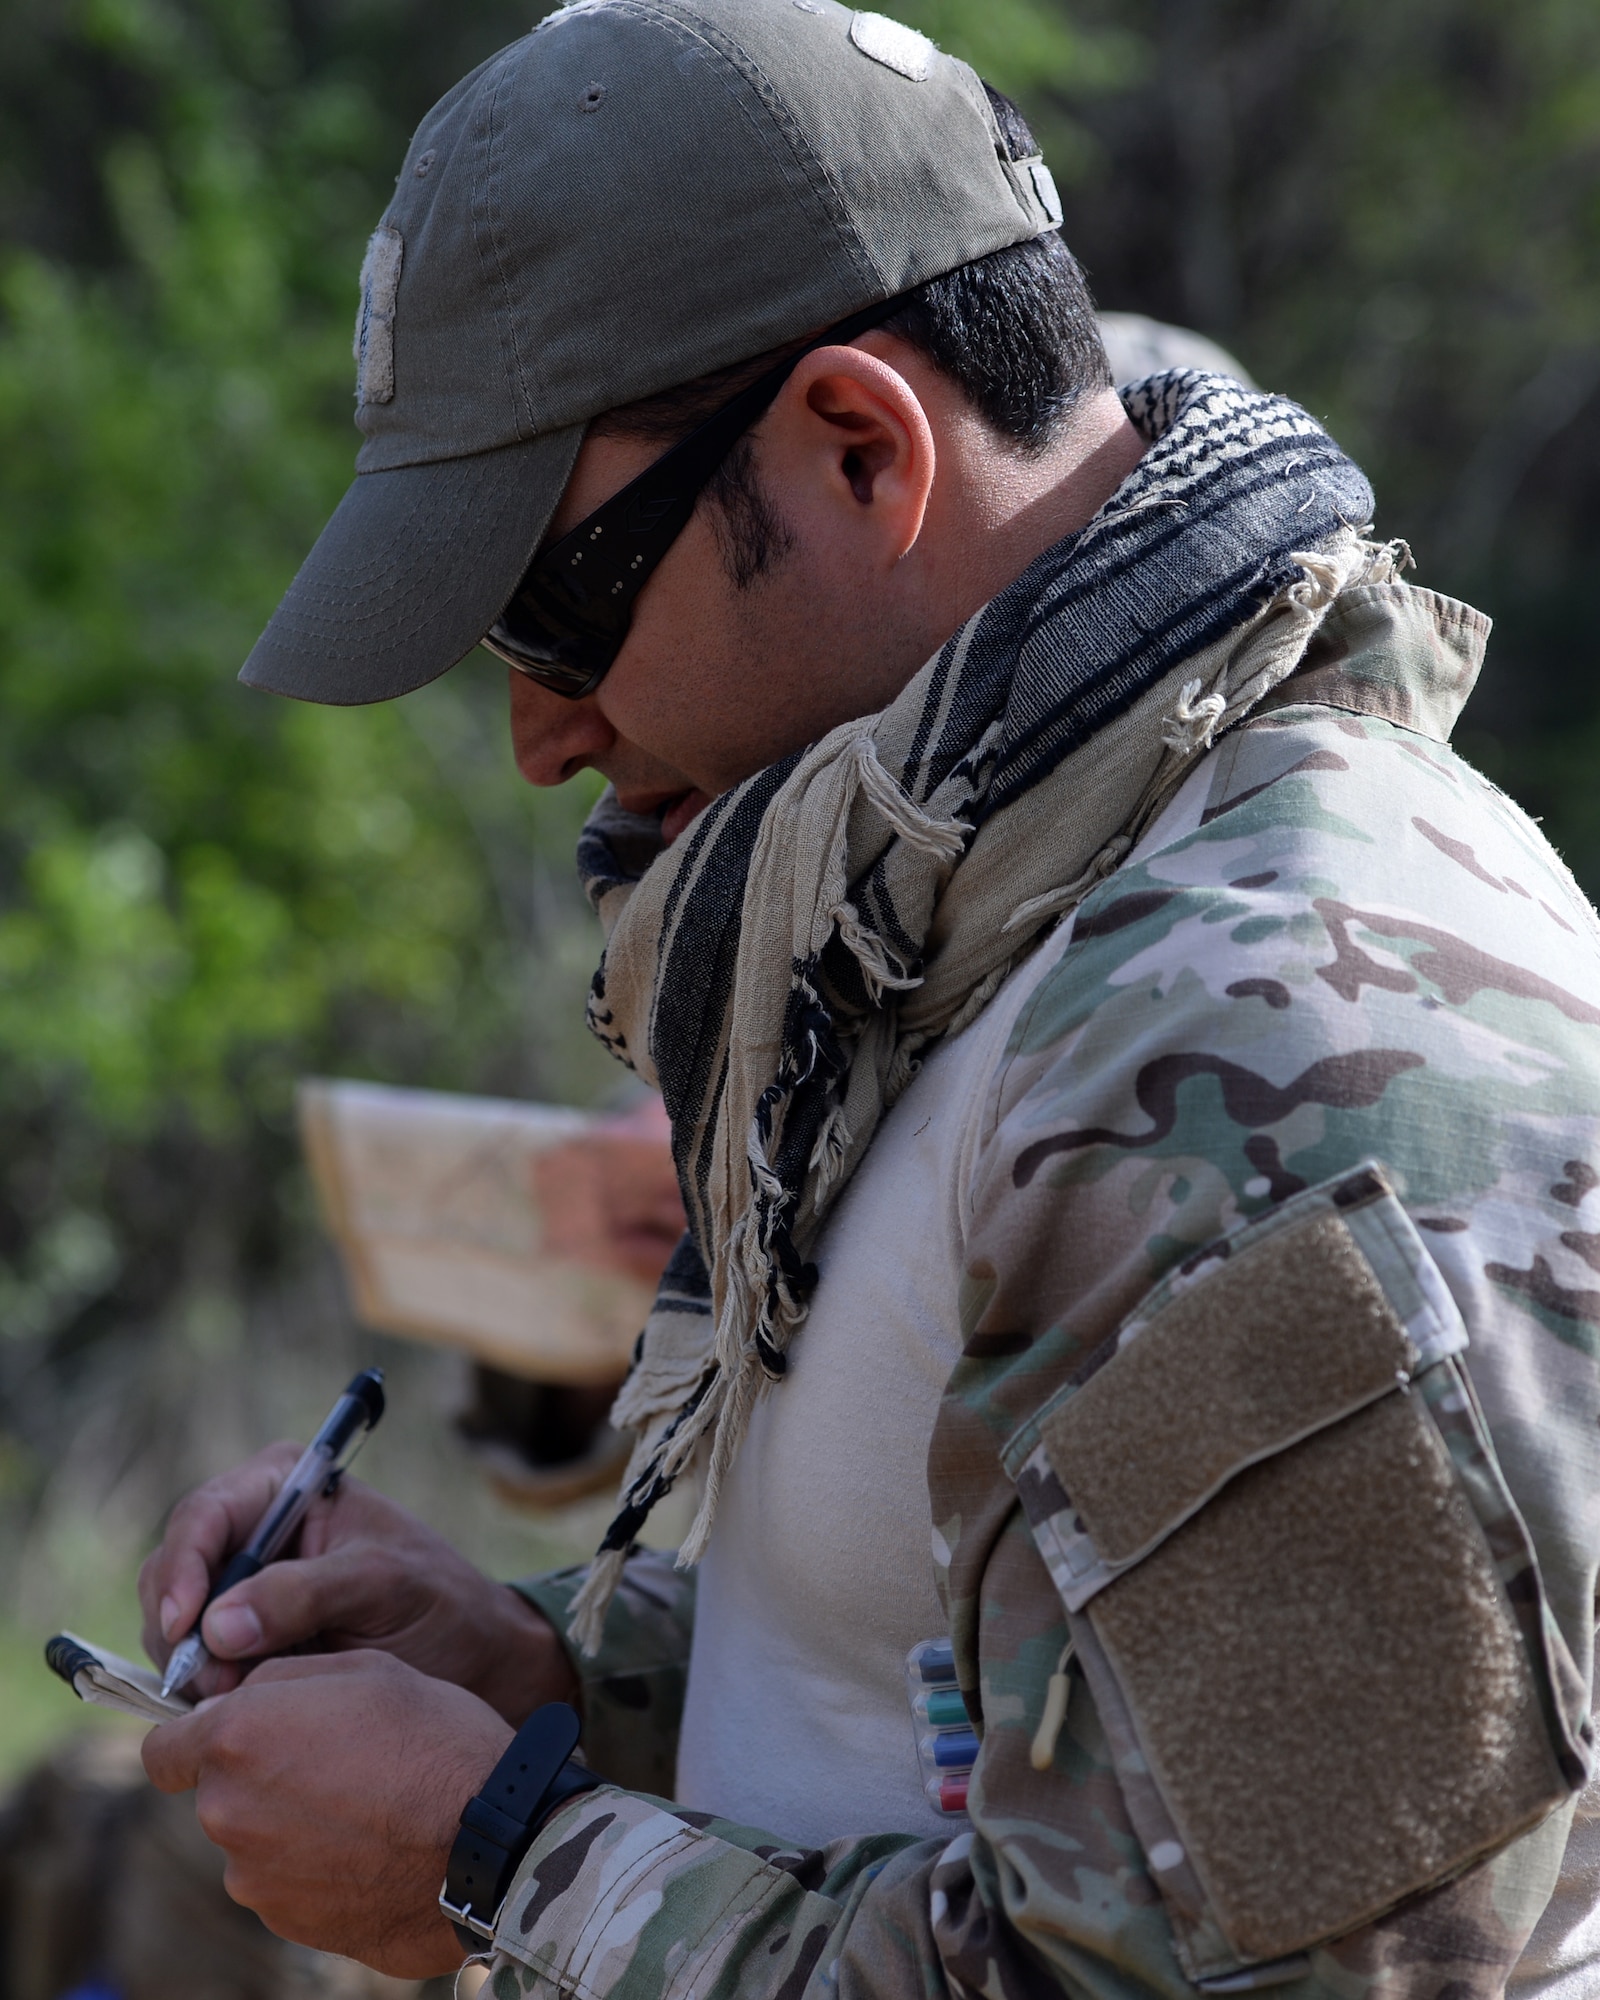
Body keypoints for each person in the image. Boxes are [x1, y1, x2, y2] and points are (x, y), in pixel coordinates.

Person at [137, 1, 1600, 1994]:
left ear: (858, 448)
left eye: (551, 606)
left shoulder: (1268, 1042)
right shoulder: (992, 932)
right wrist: (554, 1672)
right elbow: (1005, 1711)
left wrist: (501, 1861)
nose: (537, 737)